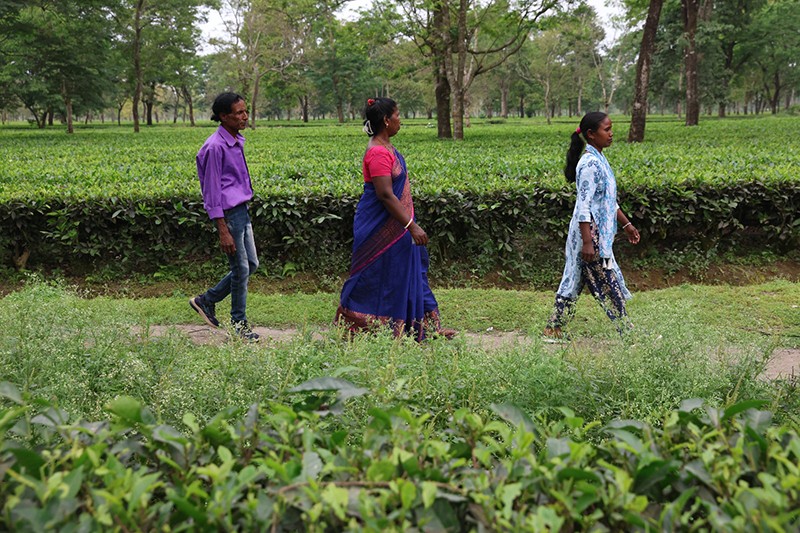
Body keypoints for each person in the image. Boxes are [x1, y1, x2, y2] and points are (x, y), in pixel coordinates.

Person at [335, 97, 455, 340]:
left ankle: (427, 327)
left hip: (399, 225)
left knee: (412, 272)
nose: (401, 119)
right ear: (386, 121)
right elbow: (385, 194)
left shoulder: (387, 147)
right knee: (375, 277)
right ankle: (359, 326)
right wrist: (412, 226)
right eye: (398, 115)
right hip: (380, 228)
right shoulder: (378, 152)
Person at [543, 111, 640, 341]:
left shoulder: (599, 160)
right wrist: (588, 242)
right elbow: (584, 206)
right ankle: (627, 330)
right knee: (608, 280)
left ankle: (553, 328)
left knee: (574, 280)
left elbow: (607, 201)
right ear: (591, 134)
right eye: (606, 129)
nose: (611, 133)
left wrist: (626, 224)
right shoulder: (588, 165)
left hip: (598, 237)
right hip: (590, 236)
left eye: (610, 128)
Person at [189, 92, 260, 341]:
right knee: (241, 269)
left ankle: (205, 300)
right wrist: (222, 228)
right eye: (239, 113)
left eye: (245, 111)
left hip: (241, 210)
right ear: (223, 116)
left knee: (251, 265)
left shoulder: (235, 139)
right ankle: (239, 325)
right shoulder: (214, 147)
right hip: (228, 215)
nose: (244, 116)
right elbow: (210, 192)